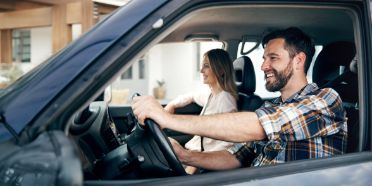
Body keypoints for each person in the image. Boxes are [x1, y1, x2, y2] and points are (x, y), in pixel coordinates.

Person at [132, 27, 347, 171]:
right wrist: (185, 156)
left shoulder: (325, 100)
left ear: (299, 60)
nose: (263, 66)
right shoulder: (272, 106)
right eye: (264, 58)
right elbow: (236, 157)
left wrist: (167, 118)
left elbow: (260, 125)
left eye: (273, 58)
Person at [164, 49, 238, 174]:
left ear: (220, 71)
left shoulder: (226, 100)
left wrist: (193, 167)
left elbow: (227, 143)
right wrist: (172, 105)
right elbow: (191, 96)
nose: (201, 71)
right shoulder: (212, 94)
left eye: (206, 66)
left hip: (200, 164)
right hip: (191, 157)